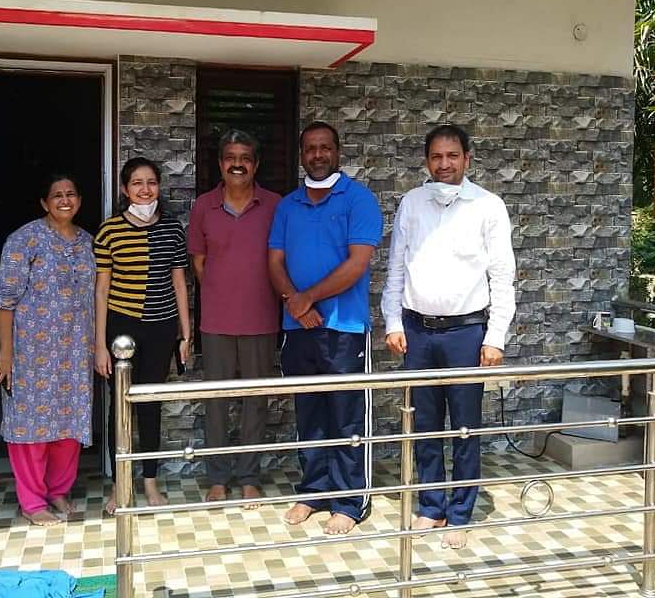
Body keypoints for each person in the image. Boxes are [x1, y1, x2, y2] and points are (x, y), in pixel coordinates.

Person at [381, 124, 516, 549]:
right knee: (423, 424)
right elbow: (396, 268)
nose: (444, 164)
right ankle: (431, 505)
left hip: (466, 333)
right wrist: (393, 322)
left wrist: (495, 337)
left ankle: (460, 512)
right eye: (437, 157)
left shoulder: (488, 206)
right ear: (427, 161)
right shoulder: (411, 203)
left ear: (467, 159)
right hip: (418, 330)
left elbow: (503, 276)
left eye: (452, 156)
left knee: (464, 427)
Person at [267, 120, 383, 535]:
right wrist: (296, 306)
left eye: (325, 148)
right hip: (298, 328)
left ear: (337, 152)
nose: (318, 155)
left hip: (345, 329)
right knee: (310, 412)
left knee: (348, 416)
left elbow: (357, 263)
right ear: (302, 155)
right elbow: (275, 263)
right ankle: (314, 490)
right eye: (310, 149)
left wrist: (307, 298)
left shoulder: (359, 200)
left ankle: (351, 502)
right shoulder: (287, 205)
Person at [0, 173, 96, 527]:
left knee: (69, 426)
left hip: (75, 352)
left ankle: (58, 491)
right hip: (30, 354)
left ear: (79, 199)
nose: (65, 200)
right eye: (57, 195)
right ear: (44, 202)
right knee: (31, 429)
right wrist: (6, 353)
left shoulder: (87, 243)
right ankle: (32, 502)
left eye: (71, 194)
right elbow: (4, 301)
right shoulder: (24, 241)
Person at [188, 129, 281, 505]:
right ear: (221, 163)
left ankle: (248, 477)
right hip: (216, 322)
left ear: (256, 164)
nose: (237, 164)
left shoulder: (276, 205)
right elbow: (198, 262)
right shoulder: (203, 206)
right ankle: (217, 477)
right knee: (216, 401)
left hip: (262, 319)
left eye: (245, 157)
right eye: (230, 157)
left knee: (255, 402)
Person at [94, 157, 191, 511]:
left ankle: (150, 483)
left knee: (150, 406)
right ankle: (120, 486)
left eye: (151, 182)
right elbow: (101, 290)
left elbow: (179, 281)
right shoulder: (109, 231)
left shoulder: (172, 229)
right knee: (118, 409)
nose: (144, 189)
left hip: (161, 327)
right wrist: (99, 345)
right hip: (121, 328)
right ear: (124, 189)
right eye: (137, 183)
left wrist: (186, 331)